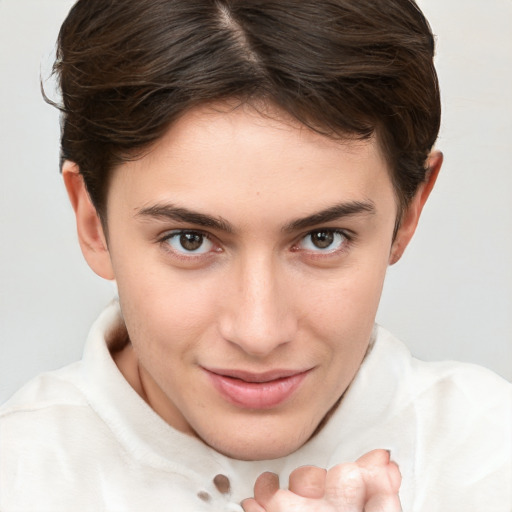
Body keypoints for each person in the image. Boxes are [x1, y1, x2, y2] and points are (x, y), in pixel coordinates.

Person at [0, 0, 510, 510]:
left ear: (408, 212)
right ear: (94, 222)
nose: (259, 333)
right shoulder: (18, 477)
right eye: (190, 240)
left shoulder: (490, 455)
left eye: (323, 238)